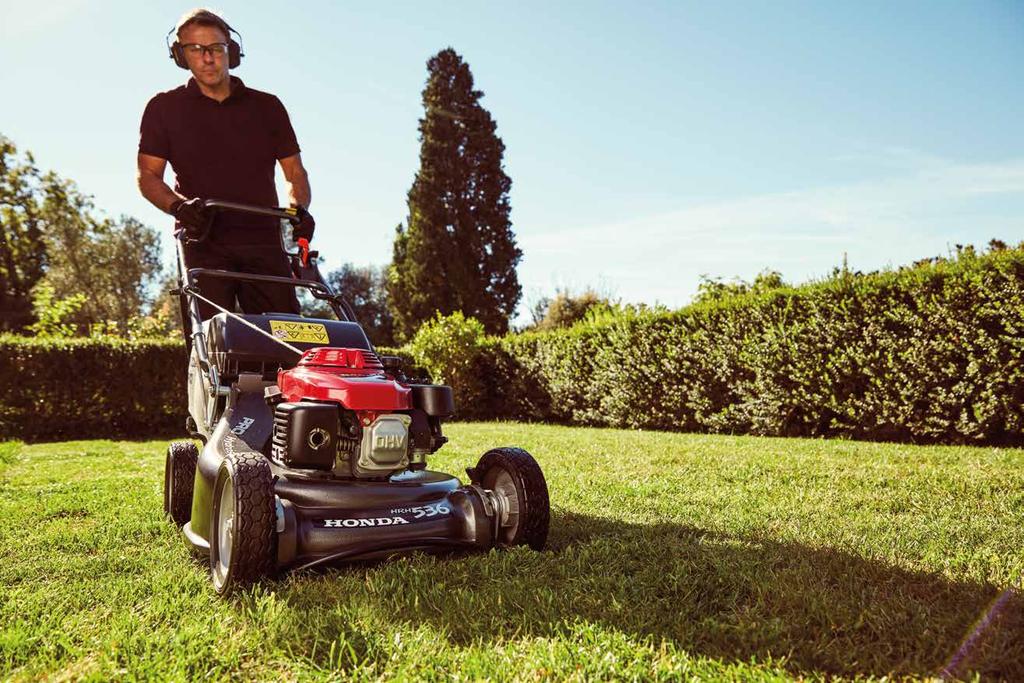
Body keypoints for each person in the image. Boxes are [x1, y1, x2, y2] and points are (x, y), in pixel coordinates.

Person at [136, 8, 314, 322]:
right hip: (203, 241)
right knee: (211, 342)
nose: (207, 58)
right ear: (181, 55)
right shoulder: (164, 108)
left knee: (286, 335)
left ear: (230, 52)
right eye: (195, 49)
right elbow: (148, 176)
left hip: (263, 241)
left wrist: (299, 209)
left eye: (216, 49)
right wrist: (178, 207)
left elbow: (295, 173)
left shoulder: (267, 107)